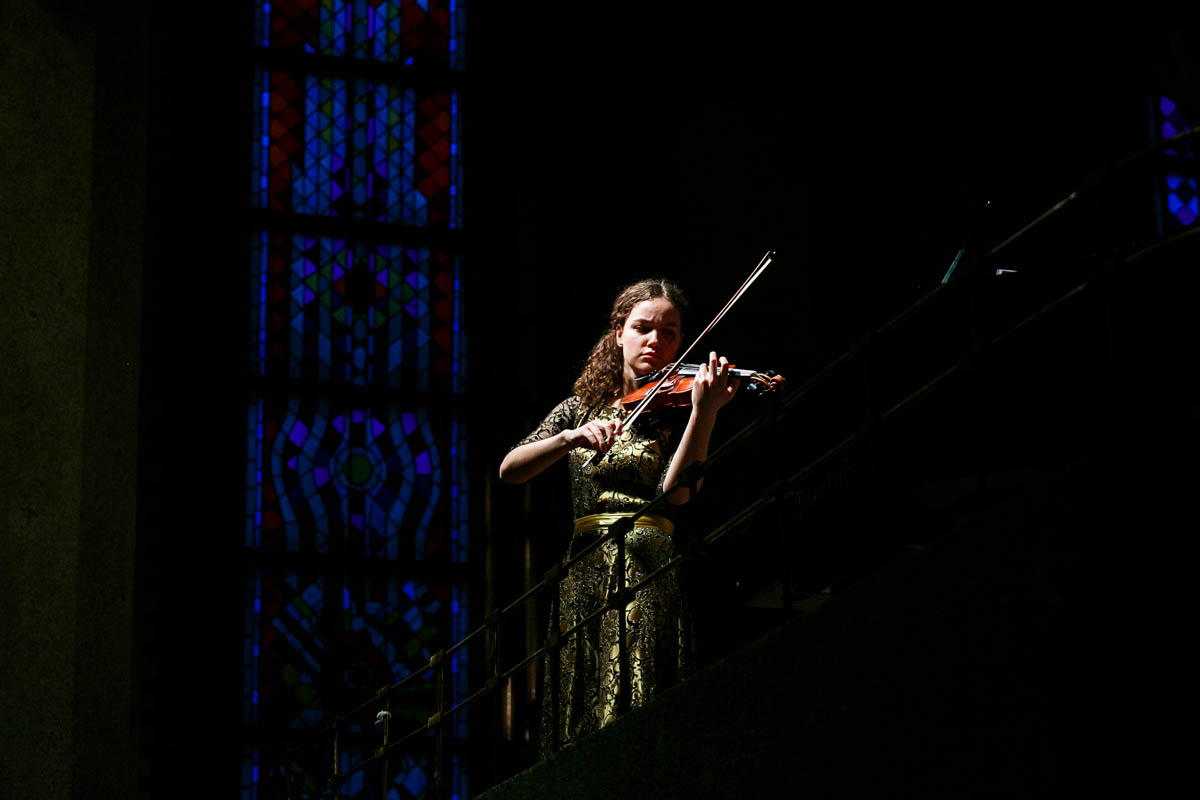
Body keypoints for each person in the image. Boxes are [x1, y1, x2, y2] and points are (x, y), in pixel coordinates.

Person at [498, 278, 740, 754]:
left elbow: (678, 494)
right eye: (643, 328)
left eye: (670, 333)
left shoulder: (677, 410)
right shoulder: (578, 409)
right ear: (618, 333)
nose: (656, 341)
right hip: (585, 564)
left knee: (641, 686)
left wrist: (705, 411)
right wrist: (568, 438)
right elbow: (510, 469)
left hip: (648, 563)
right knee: (584, 689)